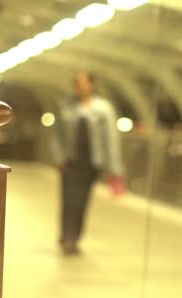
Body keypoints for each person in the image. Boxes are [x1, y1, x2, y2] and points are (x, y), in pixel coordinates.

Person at [50, 71, 125, 255]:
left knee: (82, 201)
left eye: (83, 83)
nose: (79, 86)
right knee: (68, 199)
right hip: (69, 161)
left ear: (92, 85)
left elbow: (110, 139)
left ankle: (74, 238)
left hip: (91, 163)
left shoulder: (104, 108)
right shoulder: (65, 106)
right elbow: (56, 136)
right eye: (76, 83)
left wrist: (114, 169)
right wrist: (59, 158)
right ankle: (66, 235)